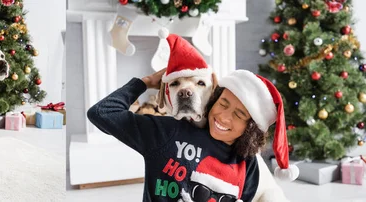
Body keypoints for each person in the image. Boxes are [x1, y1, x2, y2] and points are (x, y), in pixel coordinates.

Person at [87, 67, 299, 202]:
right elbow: (101, 113)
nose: (223, 117)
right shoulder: (165, 132)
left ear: (250, 128)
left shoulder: (248, 162)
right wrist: (145, 82)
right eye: (223, 103)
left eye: (238, 114)